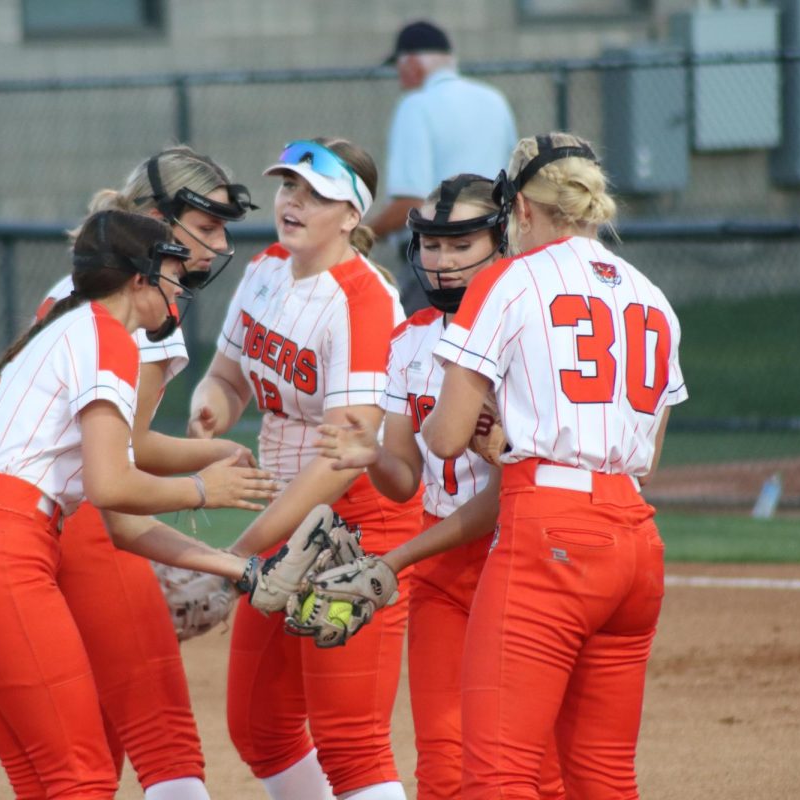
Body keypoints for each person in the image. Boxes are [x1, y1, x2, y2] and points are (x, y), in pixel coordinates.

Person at [0, 210, 276, 800]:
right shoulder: (107, 335)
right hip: (5, 557)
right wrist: (206, 490)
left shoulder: (70, 327)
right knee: (81, 777)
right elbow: (112, 484)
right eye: (171, 271)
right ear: (139, 277)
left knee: (46, 783)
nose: (178, 287)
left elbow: (124, 529)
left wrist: (241, 568)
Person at [422, 133, 688, 799]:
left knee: (499, 777)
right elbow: (648, 459)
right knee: (602, 779)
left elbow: (448, 437)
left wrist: (477, 427)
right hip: (636, 542)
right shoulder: (652, 294)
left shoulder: (509, 280)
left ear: (520, 209)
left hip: (551, 537)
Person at [314, 174, 564, 800]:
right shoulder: (412, 338)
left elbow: (503, 497)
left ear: (501, 238)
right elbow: (402, 483)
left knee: (541, 770)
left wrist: (395, 559)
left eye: (461, 244)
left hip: (520, 556)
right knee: (444, 767)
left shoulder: (531, 329)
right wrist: (367, 453)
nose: (443, 261)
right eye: (432, 245)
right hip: (442, 564)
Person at [187, 137, 421, 800]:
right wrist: (211, 408)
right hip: (284, 519)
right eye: (289, 186)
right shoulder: (264, 268)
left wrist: (238, 552)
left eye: (316, 193)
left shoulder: (363, 300)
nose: (292, 201)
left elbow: (344, 461)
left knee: (350, 739)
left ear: (351, 216)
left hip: (355, 526)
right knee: (261, 728)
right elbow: (226, 379)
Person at [34, 147, 258, 799]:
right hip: (92, 527)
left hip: (42, 522)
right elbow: (127, 453)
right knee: (164, 739)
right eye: (207, 225)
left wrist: (210, 453)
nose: (218, 245)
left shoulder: (77, 282)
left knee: (93, 747)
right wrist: (211, 469)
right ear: (160, 219)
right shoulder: (147, 298)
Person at [369, 19, 519, 314]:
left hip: (441, 266)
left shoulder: (416, 105)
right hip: (492, 260)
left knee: (411, 344)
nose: (399, 77)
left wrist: (362, 234)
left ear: (412, 64)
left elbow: (410, 203)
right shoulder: (494, 100)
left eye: (398, 67)